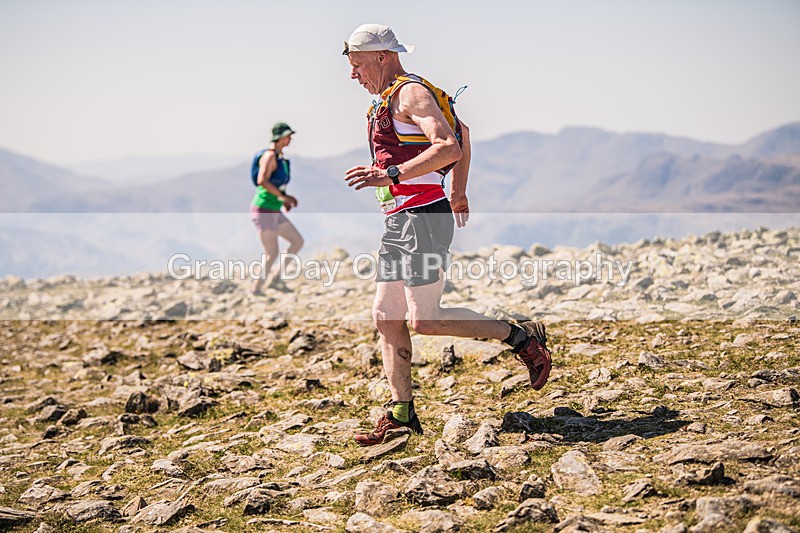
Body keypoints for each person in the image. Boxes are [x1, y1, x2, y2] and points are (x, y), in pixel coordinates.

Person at [342, 24, 553, 446]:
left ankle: (520, 335)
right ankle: (401, 415)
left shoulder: (410, 93)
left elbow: (449, 146)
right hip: (399, 219)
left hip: (423, 218)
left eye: (357, 64)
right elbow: (464, 132)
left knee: (426, 320)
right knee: (387, 316)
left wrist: (393, 173)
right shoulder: (386, 100)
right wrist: (457, 191)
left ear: (383, 56)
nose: (353, 75)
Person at [249, 121, 304, 295]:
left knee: (297, 241)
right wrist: (284, 197)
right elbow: (262, 181)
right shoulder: (270, 157)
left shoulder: (281, 158)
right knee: (271, 252)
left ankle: (275, 279)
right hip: (264, 209)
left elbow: (276, 184)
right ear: (280, 137)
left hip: (274, 209)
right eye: (288, 136)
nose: (290, 139)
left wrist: (284, 200)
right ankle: (255, 289)